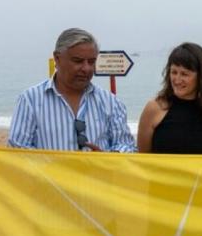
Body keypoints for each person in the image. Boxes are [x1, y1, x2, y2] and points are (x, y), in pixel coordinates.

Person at [8, 28, 136, 152]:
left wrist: (107, 158)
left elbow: (126, 145)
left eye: (91, 62)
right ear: (57, 58)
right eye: (78, 61)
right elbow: (17, 149)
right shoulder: (30, 100)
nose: (86, 68)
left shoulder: (110, 102)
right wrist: (55, 163)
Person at [137, 43, 202, 154]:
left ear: (201, 76)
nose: (177, 80)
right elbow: (143, 158)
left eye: (184, 74)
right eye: (174, 72)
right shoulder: (154, 108)